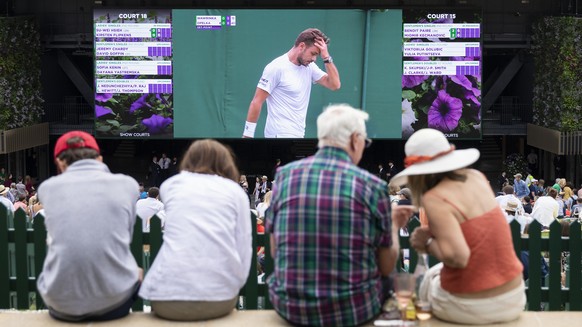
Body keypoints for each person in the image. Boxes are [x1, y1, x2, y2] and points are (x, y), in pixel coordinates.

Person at [266, 104, 414, 326]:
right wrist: (393, 225)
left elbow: (275, 251)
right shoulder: (372, 186)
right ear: (355, 139)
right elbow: (385, 266)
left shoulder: (285, 177)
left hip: (290, 308)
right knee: (394, 279)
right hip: (354, 311)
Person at [393, 128, 525, 325]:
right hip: (514, 296)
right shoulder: (477, 178)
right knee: (432, 275)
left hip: (474, 306)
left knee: (426, 284)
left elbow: (458, 257)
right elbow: (477, 230)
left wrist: (426, 242)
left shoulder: (434, 197)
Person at [139, 139, 252, 321]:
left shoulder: (171, 185)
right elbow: (244, 246)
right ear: (224, 162)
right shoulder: (235, 191)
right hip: (219, 298)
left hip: (164, 298)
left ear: (188, 159)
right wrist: (235, 283)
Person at [37, 131, 141, 322]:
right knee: (137, 270)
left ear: (60, 162)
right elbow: (126, 237)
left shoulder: (47, 188)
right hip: (115, 303)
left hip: (60, 304)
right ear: (100, 159)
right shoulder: (129, 185)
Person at [243, 28, 341, 138]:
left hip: (298, 135)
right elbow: (256, 101)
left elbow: (335, 85)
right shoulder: (276, 67)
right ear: (302, 46)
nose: (314, 59)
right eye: (313, 53)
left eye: (317, 55)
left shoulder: (310, 67)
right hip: (278, 135)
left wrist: (326, 57)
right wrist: (247, 135)